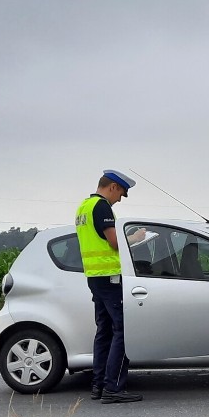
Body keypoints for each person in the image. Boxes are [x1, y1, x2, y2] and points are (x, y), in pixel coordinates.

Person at [75, 169, 146, 404]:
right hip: (111, 278)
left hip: (95, 278)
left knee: (104, 332)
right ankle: (113, 387)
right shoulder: (102, 207)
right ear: (113, 187)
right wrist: (136, 238)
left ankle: (98, 385)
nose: (120, 199)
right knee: (123, 332)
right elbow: (115, 243)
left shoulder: (83, 207)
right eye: (122, 194)